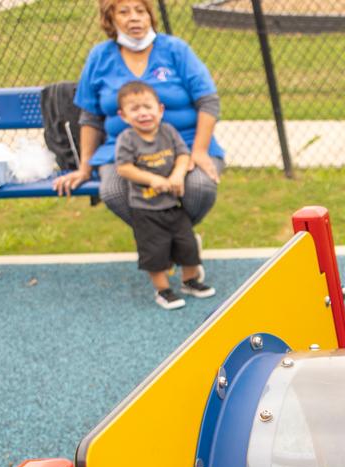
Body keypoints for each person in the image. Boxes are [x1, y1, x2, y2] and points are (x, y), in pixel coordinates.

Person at [54, 0, 224, 270]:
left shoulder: (175, 50)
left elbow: (208, 101)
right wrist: (84, 168)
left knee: (200, 187)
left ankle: (175, 241)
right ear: (110, 19)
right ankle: (179, 242)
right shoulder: (100, 57)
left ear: (150, 16)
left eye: (140, 10)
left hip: (186, 145)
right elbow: (90, 117)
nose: (134, 18)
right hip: (122, 153)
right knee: (113, 192)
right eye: (124, 11)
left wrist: (200, 151)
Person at [111, 82, 214, 310]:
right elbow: (124, 168)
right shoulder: (127, 139)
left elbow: (183, 155)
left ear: (160, 109)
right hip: (145, 209)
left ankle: (190, 281)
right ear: (124, 115)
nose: (143, 113)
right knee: (155, 254)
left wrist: (177, 175)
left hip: (172, 205)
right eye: (135, 109)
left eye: (147, 106)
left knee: (187, 246)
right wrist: (152, 179)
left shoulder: (168, 131)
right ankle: (163, 290)